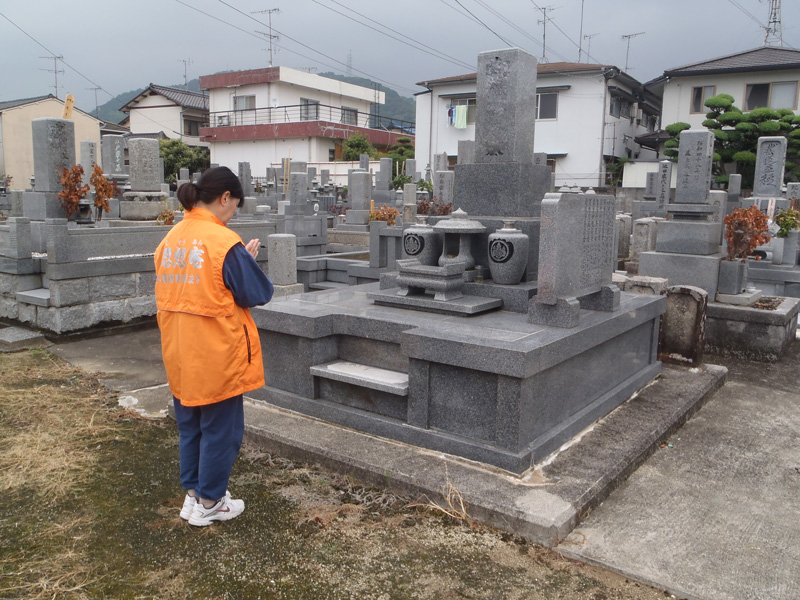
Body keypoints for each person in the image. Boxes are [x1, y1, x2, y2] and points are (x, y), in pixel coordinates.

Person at [154, 166, 274, 527]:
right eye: (234, 205)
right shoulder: (223, 242)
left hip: (179, 350)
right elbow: (258, 293)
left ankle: (194, 494)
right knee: (222, 430)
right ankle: (210, 502)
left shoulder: (172, 237)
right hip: (217, 353)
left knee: (191, 425)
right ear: (224, 198)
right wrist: (247, 265)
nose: (233, 213)